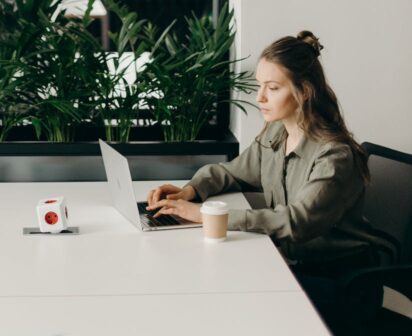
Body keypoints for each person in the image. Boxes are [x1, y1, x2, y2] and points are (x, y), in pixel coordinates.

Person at [147, 31, 393, 335]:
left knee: (237, 292)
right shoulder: (277, 133)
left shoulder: (335, 156)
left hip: (343, 283)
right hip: (300, 266)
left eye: (272, 88)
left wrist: (207, 215)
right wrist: (192, 189)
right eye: (260, 86)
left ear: (303, 91)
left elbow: (296, 222)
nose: (260, 97)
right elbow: (235, 171)